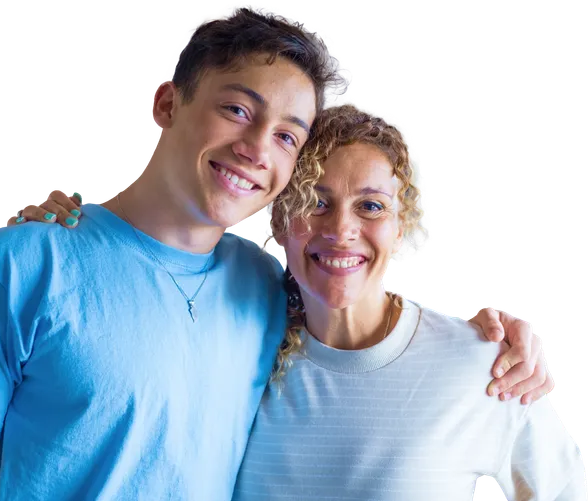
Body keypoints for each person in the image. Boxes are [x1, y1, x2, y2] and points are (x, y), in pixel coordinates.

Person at [0, 3, 554, 501]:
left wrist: (506, 338)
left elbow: (369, 337)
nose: (258, 148)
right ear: (165, 102)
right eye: (238, 110)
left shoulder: (269, 288)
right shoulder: (15, 267)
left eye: (288, 136)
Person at [228, 100, 585, 499]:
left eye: (370, 206)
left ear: (401, 226)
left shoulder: (484, 363)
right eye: (316, 201)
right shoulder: (241, 356)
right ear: (279, 222)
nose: (341, 229)